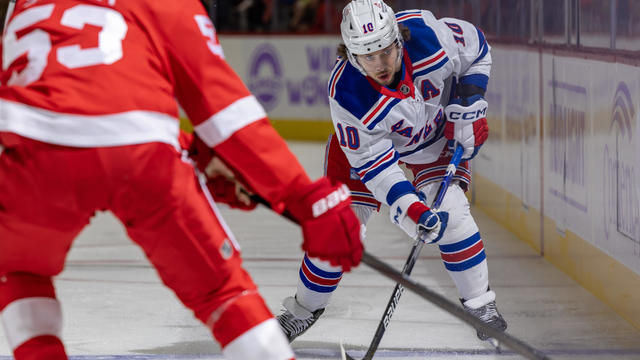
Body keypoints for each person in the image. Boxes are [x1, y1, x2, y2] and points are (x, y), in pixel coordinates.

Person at [0, 1, 363, 360]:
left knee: (18, 270)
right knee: (223, 293)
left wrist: (193, 153)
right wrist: (303, 195)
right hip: (144, 159)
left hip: (31, 155)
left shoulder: (25, 5)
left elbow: (65, 106)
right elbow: (224, 109)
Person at [277, 0, 507, 344]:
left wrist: (469, 104)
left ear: (399, 39)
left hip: (430, 137)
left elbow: (476, 49)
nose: (380, 64)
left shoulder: (428, 37)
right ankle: (302, 310)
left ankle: (480, 305)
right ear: (352, 56)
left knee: (453, 217)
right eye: (368, 57)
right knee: (336, 235)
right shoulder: (347, 93)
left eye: (386, 51)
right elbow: (375, 166)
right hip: (367, 156)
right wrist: (411, 209)